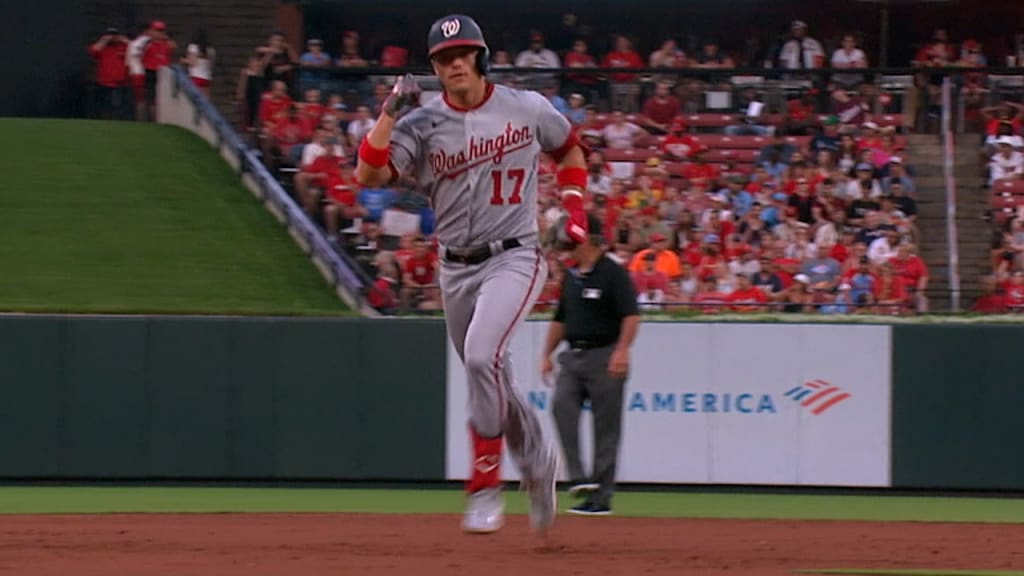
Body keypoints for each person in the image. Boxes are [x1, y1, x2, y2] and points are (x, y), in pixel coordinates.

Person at [354, 14, 590, 536]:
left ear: (480, 57)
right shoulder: (421, 121)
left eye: (463, 53)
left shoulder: (524, 107)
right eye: (443, 57)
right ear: (434, 67)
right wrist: (389, 113)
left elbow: (569, 146)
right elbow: (368, 174)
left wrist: (574, 206)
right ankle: (537, 459)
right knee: (494, 377)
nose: (454, 63)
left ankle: (484, 482)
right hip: (454, 266)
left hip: (515, 254)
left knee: (482, 357)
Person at [542, 213, 640, 516]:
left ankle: (600, 497)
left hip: (605, 354)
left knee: (606, 428)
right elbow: (561, 317)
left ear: (587, 238)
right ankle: (579, 478)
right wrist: (545, 353)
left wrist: (622, 350)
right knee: (561, 406)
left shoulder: (613, 273)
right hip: (573, 355)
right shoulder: (572, 275)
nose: (567, 242)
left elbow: (631, 315)